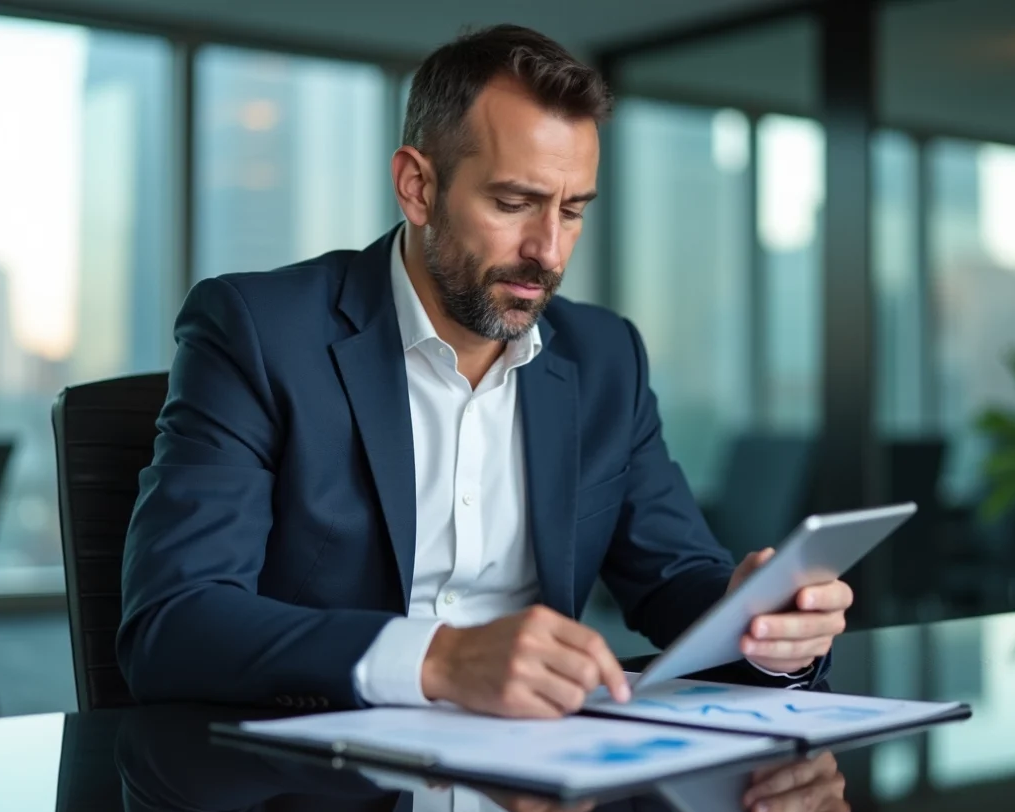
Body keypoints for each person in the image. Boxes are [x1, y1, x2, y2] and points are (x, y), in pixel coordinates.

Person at [117, 23, 853, 718]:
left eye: (572, 210)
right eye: (514, 203)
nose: (550, 251)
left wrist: (758, 622)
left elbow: (674, 579)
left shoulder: (605, 359)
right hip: (319, 783)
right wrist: (439, 660)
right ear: (418, 186)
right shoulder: (258, 331)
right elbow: (174, 620)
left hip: (548, 773)